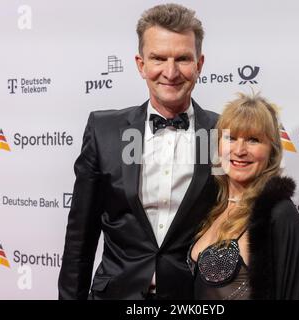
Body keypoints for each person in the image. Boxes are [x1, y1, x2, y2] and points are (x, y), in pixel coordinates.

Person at [58, 4, 218, 300]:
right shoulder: (104, 130)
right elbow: (80, 239)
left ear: (200, 64)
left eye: (183, 58)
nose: (170, 72)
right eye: (158, 58)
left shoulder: (222, 134)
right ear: (141, 64)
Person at [187, 92, 299, 300]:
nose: (240, 150)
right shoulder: (214, 206)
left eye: (253, 140)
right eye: (231, 138)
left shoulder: (277, 213)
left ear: (271, 151)